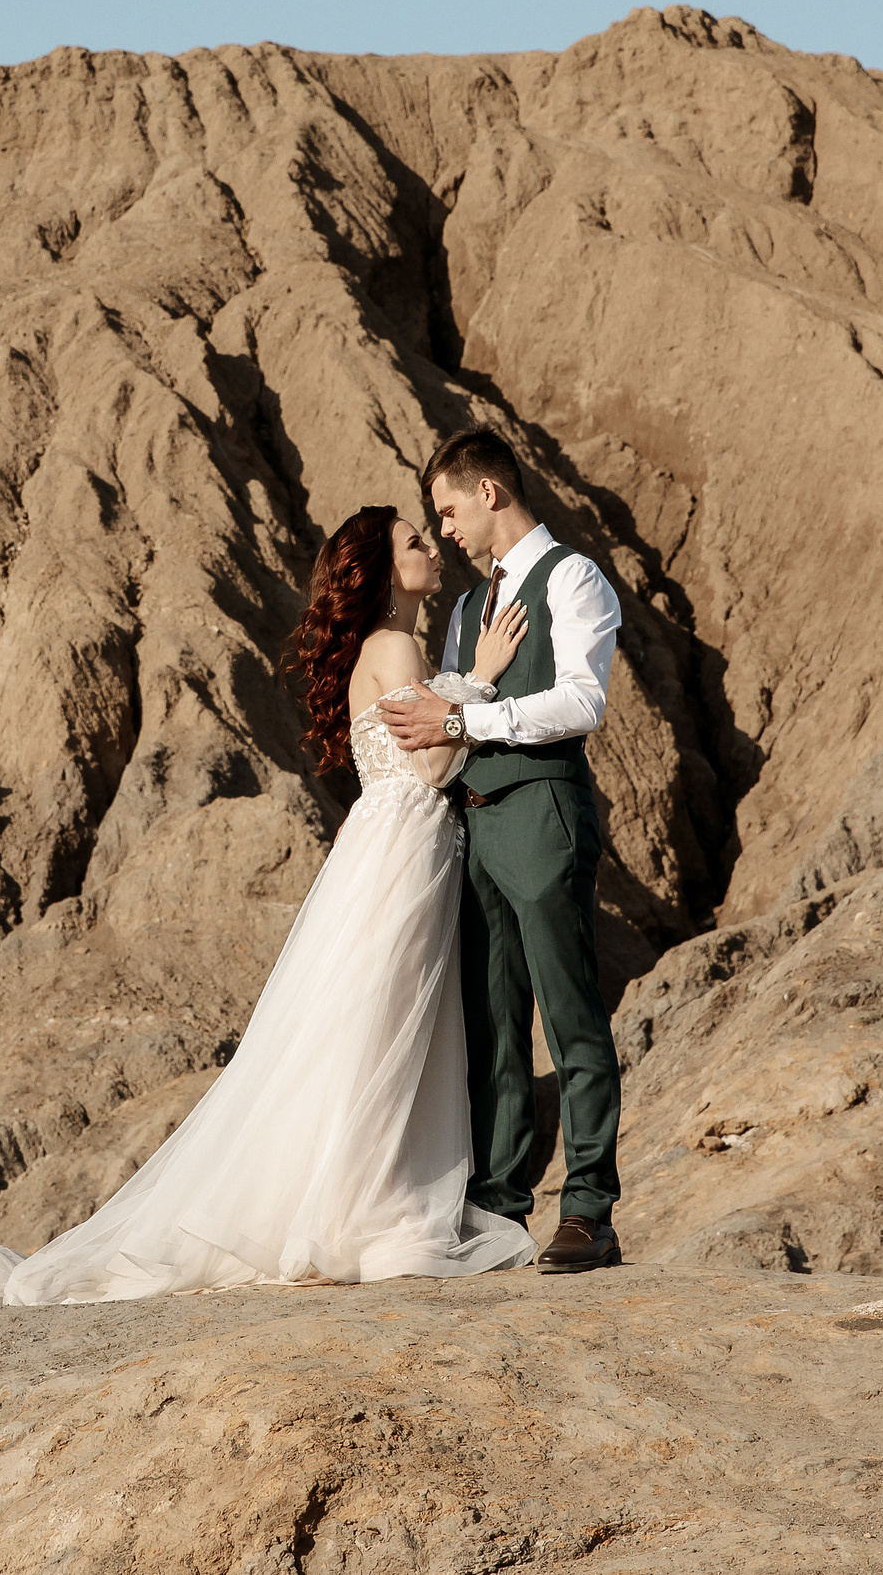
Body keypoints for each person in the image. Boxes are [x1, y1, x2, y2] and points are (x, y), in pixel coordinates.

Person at [0, 505, 540, 1303]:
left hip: (385, 849)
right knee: (382, 1025)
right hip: (404, 850)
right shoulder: (396, 645)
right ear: (385, 573)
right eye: (414, 541)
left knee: (363, 1026)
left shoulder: (383, 650)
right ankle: (354, 1208)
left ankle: (341, 1198)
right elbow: (428, 770)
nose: (429, 547)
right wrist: (481, 679)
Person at [378, 427, 626, 1273]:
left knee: (570, 1015)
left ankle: (589, 1208)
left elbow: (582, 701)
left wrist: (463, 719)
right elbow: (450, 713)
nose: (445, 529)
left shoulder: (575, 578)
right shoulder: (466, 611)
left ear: (489, 493)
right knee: (492, 1026)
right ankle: (500, 1209)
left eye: (449, 510)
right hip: (474, 829)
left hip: (543, 812)